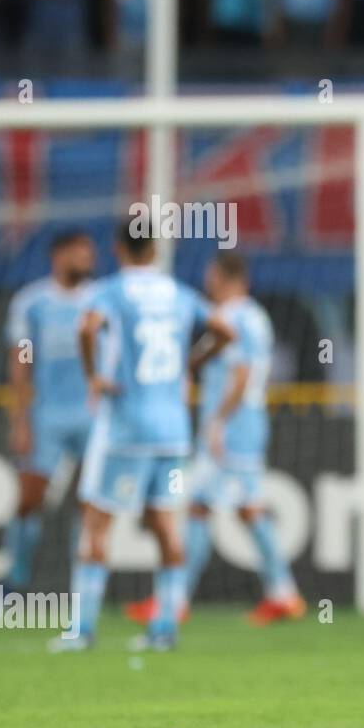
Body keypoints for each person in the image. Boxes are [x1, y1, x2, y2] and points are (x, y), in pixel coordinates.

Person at [59, 226, 233, 651]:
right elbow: (226, 332)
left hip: (125, 430)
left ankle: (82, 631)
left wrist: (94, 377)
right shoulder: (179, 292)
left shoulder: (110, 291)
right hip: (173, 433)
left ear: (118, 248)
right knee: (166, 527)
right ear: (156, 249)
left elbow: (86, 329)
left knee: (97, 523)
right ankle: (165, 629)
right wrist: (190, 363)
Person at [126, 252, 302, 626]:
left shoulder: (234, 318)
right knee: (243, 507)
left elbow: (240, 375)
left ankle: (174, 601)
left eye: (211, 276)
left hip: (232, 427)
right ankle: (282, 592)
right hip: (248, 422)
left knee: (198, 506)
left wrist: (219, 422)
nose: (208, 283)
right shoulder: (256, 316)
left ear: (224, 278)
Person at [0, 230, 95, 597]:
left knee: (89, 503)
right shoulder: (32, 303)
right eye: (80, 254)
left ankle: (82, 588)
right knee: (29, 499)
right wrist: (20, 417)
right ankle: (16, 580)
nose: (87, 261)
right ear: (59, 255)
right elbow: (22, 358)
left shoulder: (99, 299)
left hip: (92, 415)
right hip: (47, 416)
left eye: (90, 255)